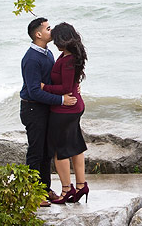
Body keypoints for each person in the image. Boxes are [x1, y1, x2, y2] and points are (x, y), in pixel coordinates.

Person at [19, 17, 76, 206]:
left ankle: (44, 188)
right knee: (36, 152)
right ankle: (33, 193)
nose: (52, 31)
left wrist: (72, 89)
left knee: (47, 151)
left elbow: (53, 81)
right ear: (38, 34)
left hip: (45, 107)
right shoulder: (31, 59)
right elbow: (34, 91)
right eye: (48, 28)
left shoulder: (47, 53)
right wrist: (62, 100)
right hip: (33, 108)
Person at [42, 21, 90, 204]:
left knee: (59, 151)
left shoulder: (68, 60)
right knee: (76, 146)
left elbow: (66, 87)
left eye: (56, 40)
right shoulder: (69, 55)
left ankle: (66, 190)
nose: (54, 43)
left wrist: (44, 87)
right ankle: (80, 186)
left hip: (65, 109)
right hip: (74, 106)